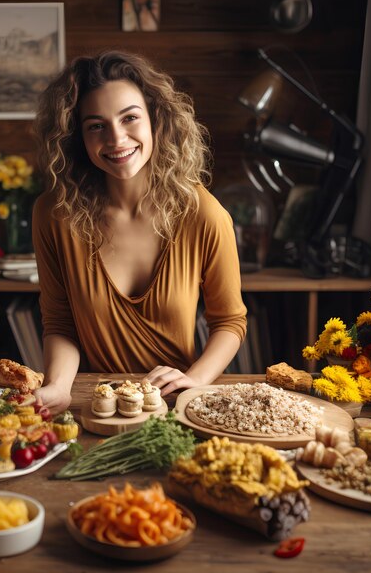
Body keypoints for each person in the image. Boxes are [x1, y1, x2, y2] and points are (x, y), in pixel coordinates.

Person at [31, 50, 247, 414]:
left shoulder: (203, 214)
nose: (116, 139)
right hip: (97, 404)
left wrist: (195, 379)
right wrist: (58, 386)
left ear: (155, 121)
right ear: (76, 137)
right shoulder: (54, 215)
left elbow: (229, 321)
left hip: (177, 406)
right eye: (96, 126)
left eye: (129, 118)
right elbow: (61, 322)